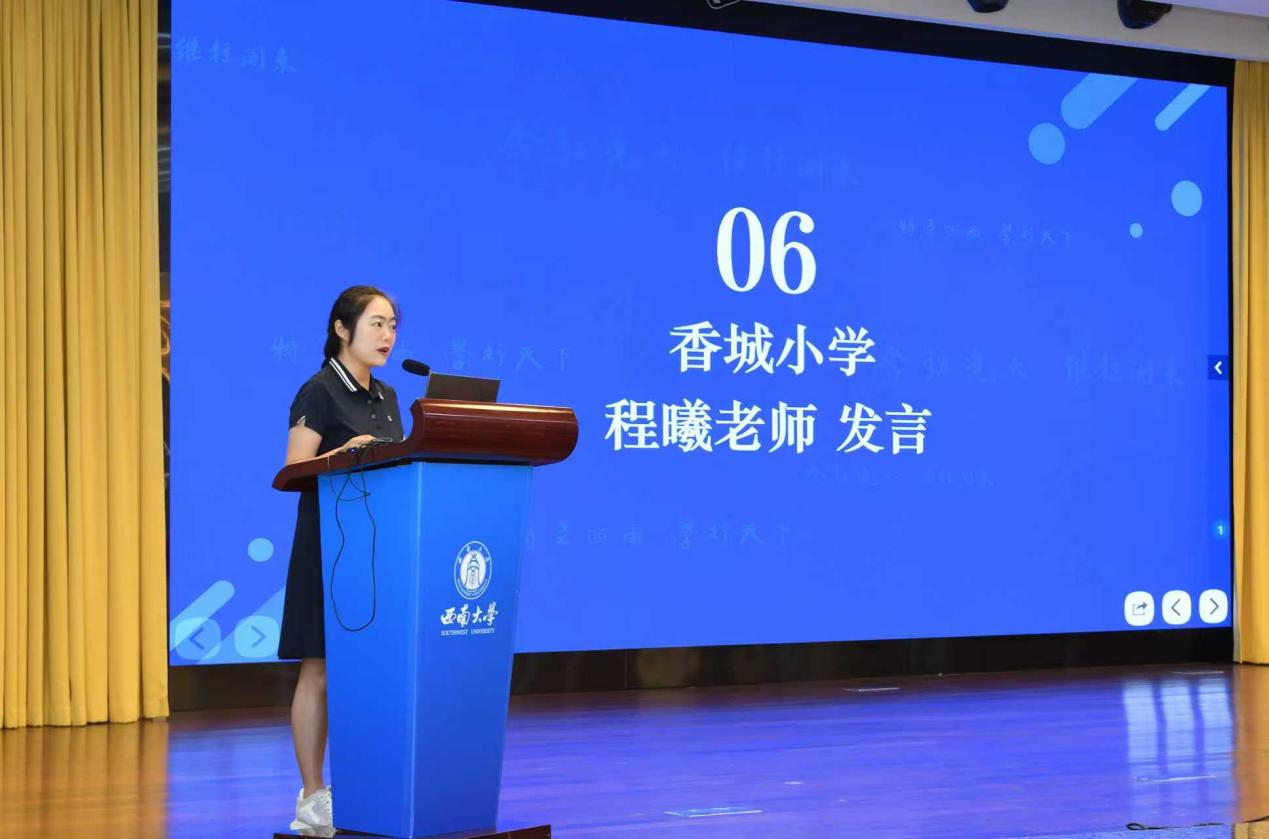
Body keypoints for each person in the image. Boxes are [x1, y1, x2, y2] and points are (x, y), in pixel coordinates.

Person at [278, 286, 404, 833]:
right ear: (341, 328)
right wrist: (341, 454)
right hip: (328, 547)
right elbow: (292, 471)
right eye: (376, 323)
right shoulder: (320, 390)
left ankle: (370, 783)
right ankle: (312, 796)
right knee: (321, 669)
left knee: (370, 669)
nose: (387, 335)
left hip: (378, 548)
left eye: (393, 325)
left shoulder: (389, 396)